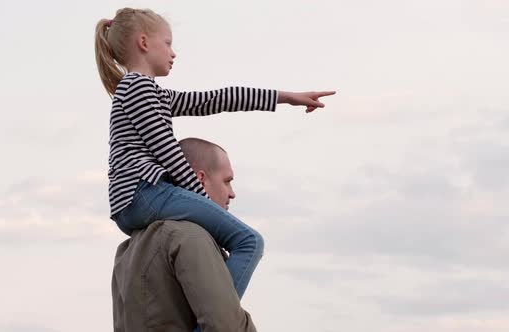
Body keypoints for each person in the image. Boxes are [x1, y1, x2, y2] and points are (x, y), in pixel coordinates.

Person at [95, 7, 336, 299]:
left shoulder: (150, 92)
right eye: (168, 43)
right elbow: (168, 151)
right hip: (143, 192)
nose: (174, 52)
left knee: (217, 244)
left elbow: (215, 99)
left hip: (133, 198)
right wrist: (202, 198)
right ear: (144, 43)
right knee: (249, 241)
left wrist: (284, 97)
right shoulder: (137, 88)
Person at [112, 138, 256, 332]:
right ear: (200, 179)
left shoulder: (127, 250)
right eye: (227, 181)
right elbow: (224, 326)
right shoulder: (190, 236)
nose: (232, 193)